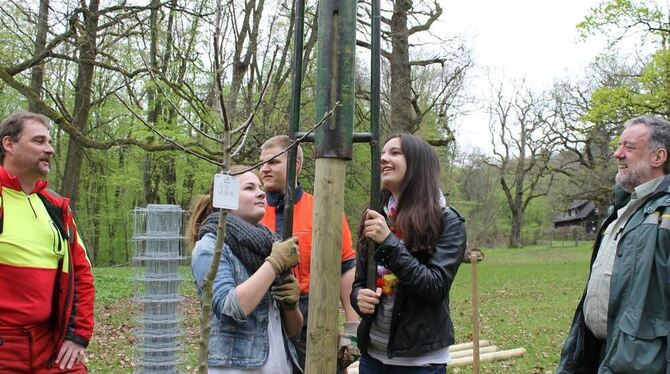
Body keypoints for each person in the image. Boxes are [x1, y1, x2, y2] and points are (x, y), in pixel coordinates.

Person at [557, 116, 670, 373]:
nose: (618, 154)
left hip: (642, 362)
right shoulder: (622, 208)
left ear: (658, 157)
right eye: (619, 146)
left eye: (629, 147)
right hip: (598, 351)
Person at [350, 133, 466, 373]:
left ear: (417, 164)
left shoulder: (447, 221)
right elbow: (360, 282)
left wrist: (389, 243)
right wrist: (359, 296)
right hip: (372, 357)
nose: (383, 158)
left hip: (421, 362)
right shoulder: (375, 216)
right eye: (383, 153)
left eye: (394, 153)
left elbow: (434, 287)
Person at [0, 111, 95, 372]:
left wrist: (77, 336)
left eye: (50, 142)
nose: (50, 149)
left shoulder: (56, 207)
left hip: (49, 344)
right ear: (9, 144)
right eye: (39, 141)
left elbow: (82, 275)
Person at [258, 135, 358, 370]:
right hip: (264, 315)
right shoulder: (252, 213)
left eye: (273, 162)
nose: (264, 168)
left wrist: (352, 326)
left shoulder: (324, 209)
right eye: (262, 163)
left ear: (296, 165)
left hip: (315, 317)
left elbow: (346, 266)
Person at [189, 166, 303, 373]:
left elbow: (294, 332)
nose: (261, 192)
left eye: (259, 186)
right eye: (249, 188)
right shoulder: (209, 248)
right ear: (226, 199)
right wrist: (273, 264)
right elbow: (229, 308)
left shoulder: (269, 243)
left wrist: (291, 307)